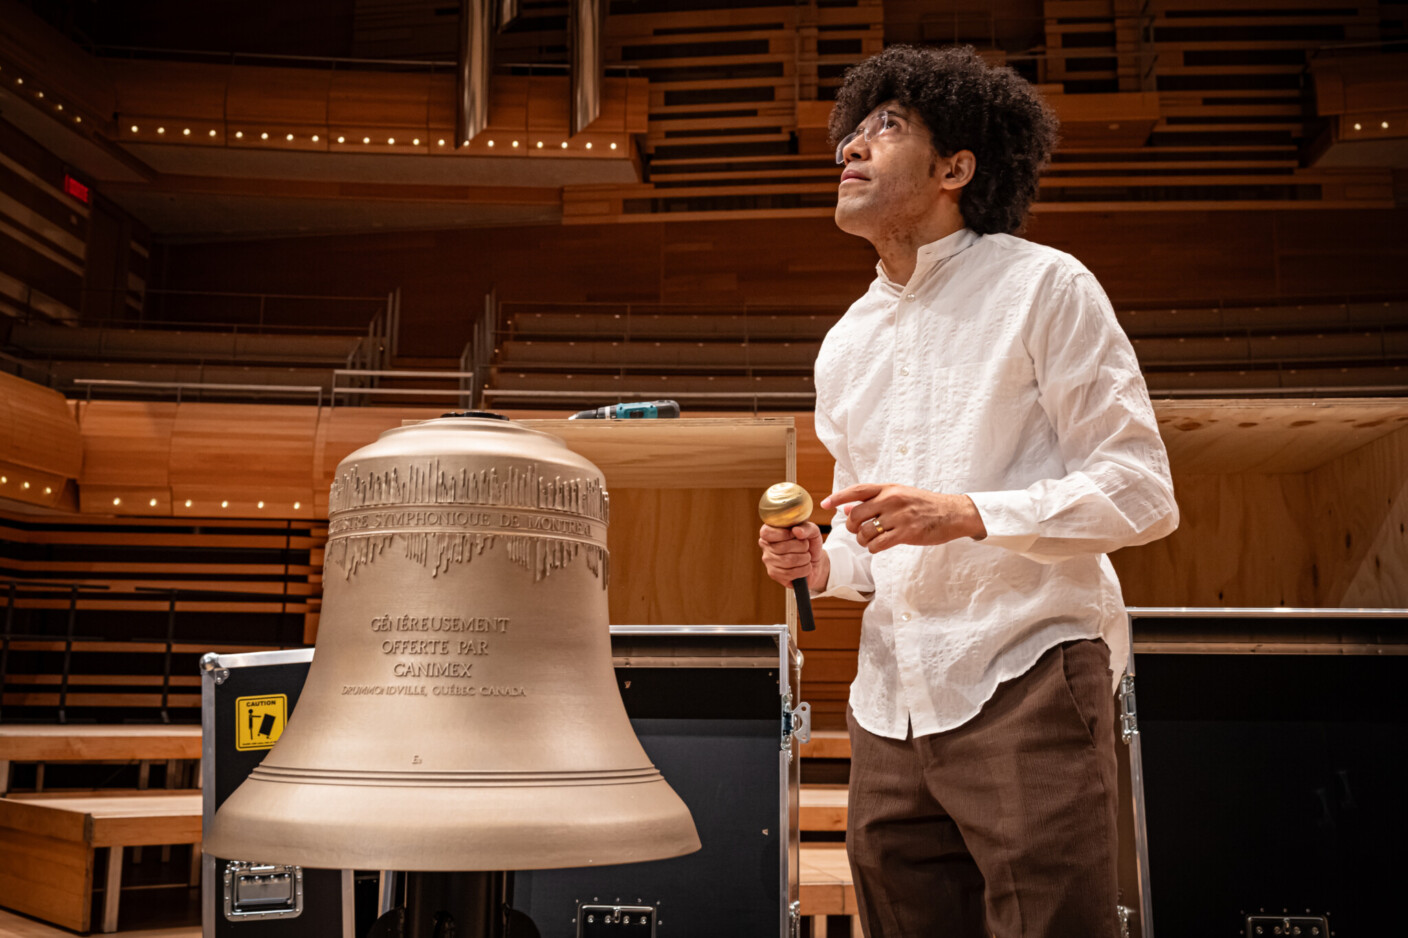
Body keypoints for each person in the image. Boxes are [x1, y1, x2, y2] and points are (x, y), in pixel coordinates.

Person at [758, 45, 1178, 938]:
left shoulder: (1045, 287)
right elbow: (874, 547)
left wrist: (970, 513)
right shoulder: (845, 343)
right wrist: (822, 565)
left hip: (1026, 670)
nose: (851, 147)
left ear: (956, 168)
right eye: (853, 129)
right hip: (888, 700)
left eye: (887, 127)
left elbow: (1141, 492)